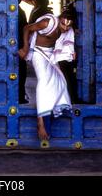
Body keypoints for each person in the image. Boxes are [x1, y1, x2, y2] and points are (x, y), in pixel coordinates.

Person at [18, 9, 76, 140]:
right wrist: (25, 48)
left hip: (50, 54)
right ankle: (40, 123)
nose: (66, 28)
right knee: (44, 81)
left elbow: (66, 41)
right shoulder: (47, 23)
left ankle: (50, 112)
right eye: (63, 24)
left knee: (60, 81)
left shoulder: (68, 30)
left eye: (69, 26)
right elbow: (27, 28)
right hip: (38, 53)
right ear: (59, 18)